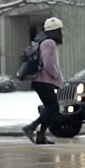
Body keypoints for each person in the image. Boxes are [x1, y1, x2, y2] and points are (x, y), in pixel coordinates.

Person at [22, 17, 64, 145]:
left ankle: (41, 136)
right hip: (44, 81)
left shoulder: (41, 41)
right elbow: (48, 64)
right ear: (55, 31)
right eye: (59, 30)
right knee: (53, 107)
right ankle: (31, 127)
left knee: (50, 108)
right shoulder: (49, 43)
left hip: (40, 81)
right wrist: (57, 75)